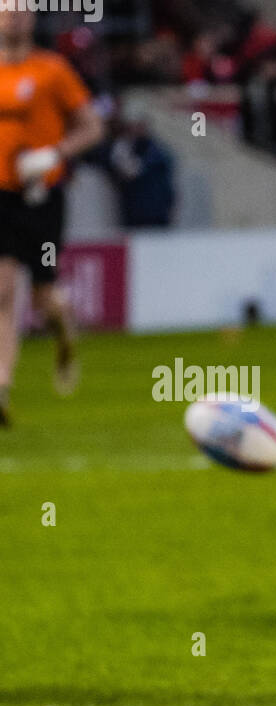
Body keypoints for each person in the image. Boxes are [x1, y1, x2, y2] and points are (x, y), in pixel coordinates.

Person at [0, 8, 104, 428]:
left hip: (42, 199)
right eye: (6, 11)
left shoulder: (52, 69)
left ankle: (63, 329)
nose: (13, 18)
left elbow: (92, 127)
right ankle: (1, 386)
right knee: (2, 289)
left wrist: (55, 153)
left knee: (44, 300)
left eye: (21, 11)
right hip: (1, 198)